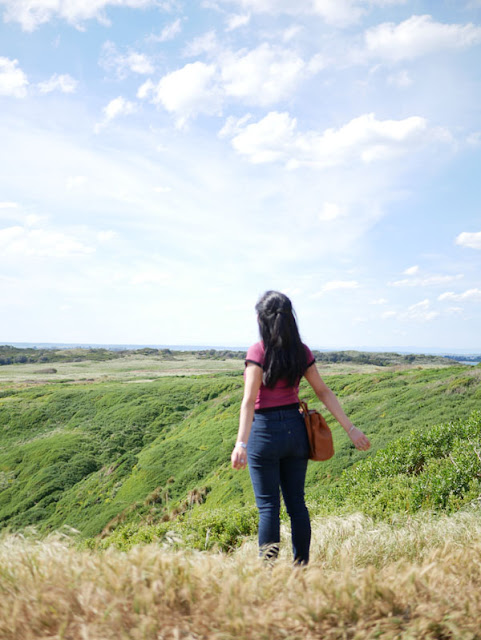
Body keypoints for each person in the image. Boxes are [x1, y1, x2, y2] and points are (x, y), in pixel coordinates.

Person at [231, 290, 370, 565]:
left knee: (268, 508)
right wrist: (350, 428)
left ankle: (268, 572)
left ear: (262, 319)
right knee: (297, 504)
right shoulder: (301, 352)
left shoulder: (258, 352)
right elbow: (323, 392)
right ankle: (301, 569)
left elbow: (248, 401)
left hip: (265, 432)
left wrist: (241, 443)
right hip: (296, 432)